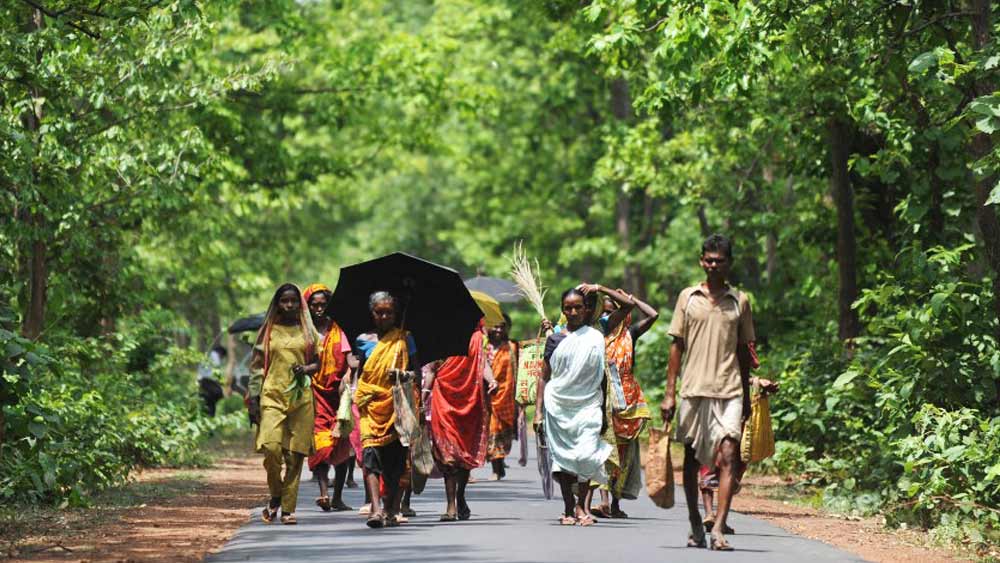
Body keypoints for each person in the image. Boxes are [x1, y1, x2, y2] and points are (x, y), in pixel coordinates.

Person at [661, 234, 778, 551]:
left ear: (729, 264)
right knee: (690, 459)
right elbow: (676, 346)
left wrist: (746, 396)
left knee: (728, 456)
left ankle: (718, 529)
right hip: (693, 390)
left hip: (729, 391)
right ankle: (695, 523)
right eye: (709, 260)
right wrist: (670, 393)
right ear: (702, 261)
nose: (714, 265)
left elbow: (744, 353)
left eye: (720, 261)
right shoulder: (688, 297)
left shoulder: (739, 302)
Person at [577, 284, 659, 519]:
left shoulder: (630, 333)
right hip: (602, 396)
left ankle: (614, 503)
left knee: (623, 453)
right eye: (604, 311)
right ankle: (597, 501)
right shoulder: (598, 332)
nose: (607, 315)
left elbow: (653, 314)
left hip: (627, 399)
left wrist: (630, 298)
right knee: (601, 446)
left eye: (612, 310)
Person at [535, 288, 614, 526]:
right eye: (568, 308)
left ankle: (581, 506)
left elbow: (600, 375)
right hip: (558, 406)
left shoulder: (595, 337)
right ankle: (570, 506)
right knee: (563, 460)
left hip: (589, 404)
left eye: (578, 307)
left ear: (586, 309)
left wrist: (603, 409)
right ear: (562, 310)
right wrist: (538, 411)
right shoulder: (555, 340)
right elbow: (544, 376)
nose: (573, 312)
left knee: (587, 454)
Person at [247, 283, 320, 525]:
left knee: (295, 455)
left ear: (300, 304)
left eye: (293, 301)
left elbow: (317, 363)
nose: (289, 305)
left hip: (301, 398)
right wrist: (253, 400)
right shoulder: (268, 331)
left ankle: (288, 509)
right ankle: (276, 495)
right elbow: (257, 367)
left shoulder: (309, 333)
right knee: (271, 448)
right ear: (277, 304)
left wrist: (306, 368)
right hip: (272, 395)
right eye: (284, 301)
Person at [353, 291, 419, 529]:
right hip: (371, 407)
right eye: (379, 312)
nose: (384, 316)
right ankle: (377, 510)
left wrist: (401, 375)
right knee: (370, 458)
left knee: (396, 463)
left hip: (398, 407)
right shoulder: (363, 340)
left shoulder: (405, 338)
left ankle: (392, 507)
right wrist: (355, 390)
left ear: (396, 313)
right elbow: (362, 374)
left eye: (389, 312)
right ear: (372, 314)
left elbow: (416, 374)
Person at [423, 324, 496, 521]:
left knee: (463, 454)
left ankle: (460, 496)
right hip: (443, 400)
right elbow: (431, 368)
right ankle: (451, 506)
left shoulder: (476, 338)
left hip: (470, 402)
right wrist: (424, 396)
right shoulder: (438, 335)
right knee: (447, 456)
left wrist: (492, 381)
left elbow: (482, 364)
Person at [303, 284, 355, 512]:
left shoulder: (340, 330)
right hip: (314, 394)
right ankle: (324, 494)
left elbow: (350, 358)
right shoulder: (304, 333)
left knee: (342, 444)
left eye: (323, 304)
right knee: (320, 443)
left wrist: (349, 374)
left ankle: (338, 497)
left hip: (339, 396)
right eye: (314, 305)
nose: (319, 309)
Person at [486, 313, 518, 480]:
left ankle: (499, 465)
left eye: (502, 326)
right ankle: (496, 468)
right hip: (488, 396)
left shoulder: (513, 347)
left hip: (506, 397)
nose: (498, 330)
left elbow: (519, 371)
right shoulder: (485, 347)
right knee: (491, 430)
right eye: (495, 326)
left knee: (502, 431)